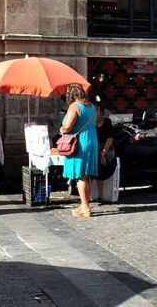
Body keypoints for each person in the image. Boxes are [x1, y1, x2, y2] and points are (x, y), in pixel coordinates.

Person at [59, 83, 99, 217]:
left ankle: (85, 207)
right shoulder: (92, 107)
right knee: (86, 175)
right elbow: (99, 122)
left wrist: (62, 129)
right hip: (92, 141)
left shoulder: (74, 106)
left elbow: (67, 127)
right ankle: (83, 204)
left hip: (79, 143)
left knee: (80, 175)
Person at [92, 98, 117, 203]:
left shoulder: (107, 122)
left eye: (96, 110)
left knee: (104, 161)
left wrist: (104, 151)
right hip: (94, 147)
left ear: (101, 111)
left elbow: (110, 137)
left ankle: (101, 193)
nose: (95, 112)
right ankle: (96, 194)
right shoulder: (90, 124)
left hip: (106, 147)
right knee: (96, 162)